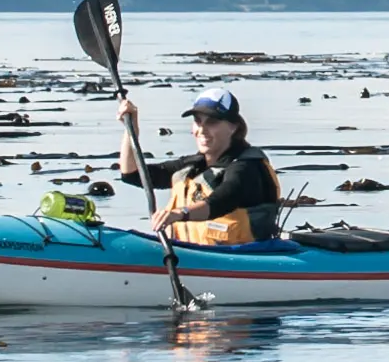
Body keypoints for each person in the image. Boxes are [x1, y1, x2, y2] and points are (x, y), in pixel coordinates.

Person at [115, 86, 286, 247]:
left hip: (239, 258)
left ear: (233, 127)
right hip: (188, 254)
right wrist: (131, 129)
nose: (202, 129)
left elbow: (220, 201)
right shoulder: (193, 166)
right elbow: (132, 174)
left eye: (212, 122)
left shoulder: (247, 168)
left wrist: (179, 213)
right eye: (198, 121)